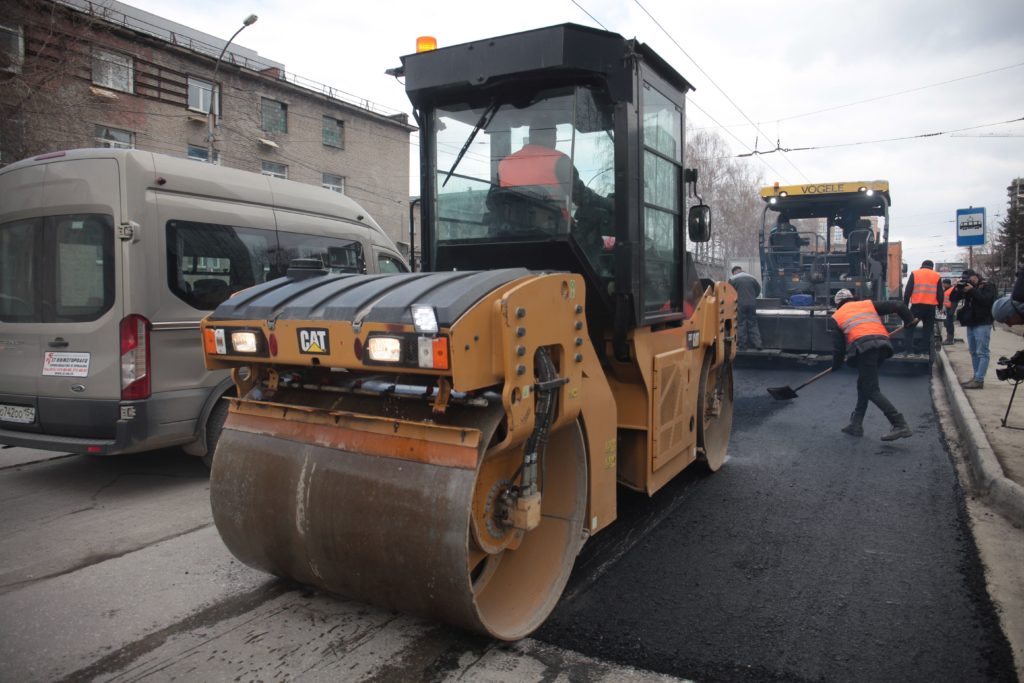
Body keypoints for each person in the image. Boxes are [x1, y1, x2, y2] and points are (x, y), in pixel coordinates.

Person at [493, 125, 612, 257]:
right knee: (596, 216)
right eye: (554, 135)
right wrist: (609, 203)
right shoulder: (559, 161)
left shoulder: (505, 163)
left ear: (531, 135)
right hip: (553, 233)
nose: (555, 139)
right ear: (549, 136)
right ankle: (595, 273)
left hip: (508, 233)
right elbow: (582, 197)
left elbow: (492, 200)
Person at [831, 288, 917, 441]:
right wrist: (909, 320)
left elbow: (838, 349)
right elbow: (898, 305)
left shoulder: (838, 316)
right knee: (863, 384)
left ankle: (899, 424)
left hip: (866, 350)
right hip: (883, 346)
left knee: (871, 389)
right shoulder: (867, 304)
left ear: (837, 304)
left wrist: (836, 365)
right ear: (853, 298)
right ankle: (856, 424)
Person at [948, 268, 998, 389]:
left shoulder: (987, 285)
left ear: (975, 276)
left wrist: (972, 290)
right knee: (973, 352)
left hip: (983, 323)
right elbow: (953, 299)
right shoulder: (967, 287)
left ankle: (979, 379)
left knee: (982, 352)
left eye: (968, 279)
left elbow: (985, 301)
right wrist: (956, 288)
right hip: (971, 323)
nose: (967, 281)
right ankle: (976, 377)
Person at [902, 259, 943, 358]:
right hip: (930, 308)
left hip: (917, 307)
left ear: (922, 265)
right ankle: (923, 351)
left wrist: (905, 307)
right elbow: (940, 294)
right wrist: (940, 306)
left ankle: (909, 350)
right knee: (927, 330)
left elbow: (908, 291)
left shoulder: (915, 273)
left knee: (909, 328)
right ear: (931, 267)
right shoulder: (936, 275)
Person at [729, 265, 762, 350]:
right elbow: (758, 290)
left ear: (734, 272)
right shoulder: (752, 278)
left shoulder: (732, 279)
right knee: (753, 323)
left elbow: (728, 293)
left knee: (741, 324)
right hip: (752, 304)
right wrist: (751, 297)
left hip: (740, 305)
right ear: (741, 270)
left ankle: (743, 346)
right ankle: (758, 344)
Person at [940, 278, 956, 344]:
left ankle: (950, 340)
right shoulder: (946, 290)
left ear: (947, 284)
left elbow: (954, 301)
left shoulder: (952, 290)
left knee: (949, 325)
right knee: (947, 324)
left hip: (950, 309)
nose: (942, 285)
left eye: (943, 283)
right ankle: (948, 339)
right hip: (946, 309)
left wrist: (952, 311)